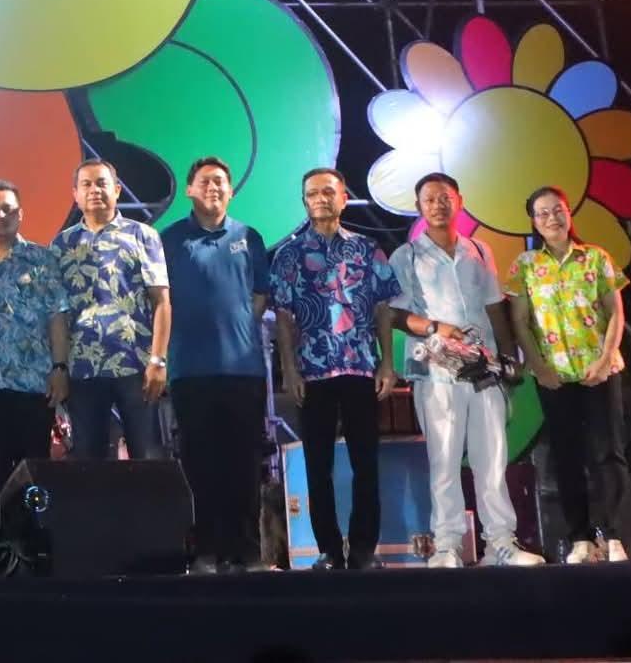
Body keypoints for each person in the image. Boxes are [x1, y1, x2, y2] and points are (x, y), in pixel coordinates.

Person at [388, 173, 542, 568]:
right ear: (419, 207)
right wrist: (435, 327)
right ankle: (447, 544)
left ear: (459, 201)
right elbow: (393, 314)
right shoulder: (406, 256)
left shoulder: (478, 249)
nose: (438, 205)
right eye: (429, 199)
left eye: (445, 197)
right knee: (444, 460)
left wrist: (507, 356)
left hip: (483, 368)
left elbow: (493, 306)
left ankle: (500, 543)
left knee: (492, 458)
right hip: (436, 371)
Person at [270, 168, 402, 571]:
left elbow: (383, 307)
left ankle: (363, 549)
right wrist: (289, 370)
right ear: (304, 201)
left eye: (328, 191)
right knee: (317, 465)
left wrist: (387, 360)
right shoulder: (289, 255)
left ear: (344, 197)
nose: (321, 199)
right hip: (312, 371)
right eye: (312, 193)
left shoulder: (367, 248)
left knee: (366, 463)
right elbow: (284, 317)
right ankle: (328, 549)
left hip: (361, 367)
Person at [506, 185, 629, 564]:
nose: (552, 218)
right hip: (554, 376)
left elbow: (615, 312)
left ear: (568, 212)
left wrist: (605, 359)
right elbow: (520, 322)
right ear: (533, 221)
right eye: (542, 213)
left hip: (600, 370)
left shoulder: (595, 257)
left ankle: (616, 535)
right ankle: (580, 538)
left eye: (557, 210)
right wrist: (539, 367)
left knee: (608, 453)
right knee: (567, 456)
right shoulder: (526, 266)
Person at [160, 156, 271, 574]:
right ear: (189, 190)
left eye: (220, 181)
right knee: (199, 466)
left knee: (245, 465)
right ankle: (205, 551)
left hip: (243, 370)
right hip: (190, 370)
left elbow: (259, 296)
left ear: (231, 190)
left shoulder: (249, 237)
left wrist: (235, 327)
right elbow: (159, 301)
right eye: (205, 181)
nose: (213, 187)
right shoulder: (170, 239)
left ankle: (248, 551)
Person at [53, 159, 171, 460]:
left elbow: (161, 301)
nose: (94, 190)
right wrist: (60, 368)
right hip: (83, 369)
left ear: (117, 190)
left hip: (137, 366)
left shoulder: (143, 235)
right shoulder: (62, 244)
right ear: (75, 195)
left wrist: (158, 360)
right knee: (88, 464)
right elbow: (58, 315)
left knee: (148, 459)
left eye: (101, 183)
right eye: (86, 184)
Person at [0, 180, 70, 485]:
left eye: (7, 209)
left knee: (34, 474)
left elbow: (57, 316)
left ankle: (32, 519)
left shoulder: (42, 260)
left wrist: (60, 368)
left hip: (34, 385)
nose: (0, 216)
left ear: (20, 214)